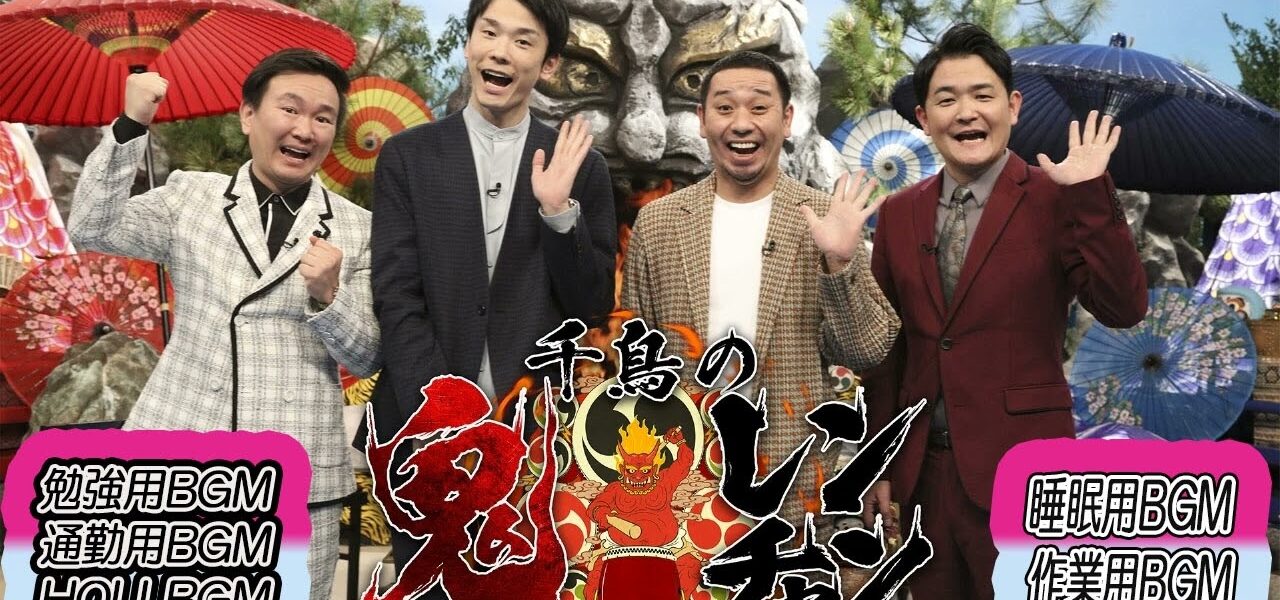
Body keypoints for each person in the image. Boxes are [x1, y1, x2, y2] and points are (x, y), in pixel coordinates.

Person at [69, 48, 380, 600]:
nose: (305, 129)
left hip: (297, 469)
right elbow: (93, 226)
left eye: (323, 117)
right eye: (290, 109)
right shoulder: (191, 196)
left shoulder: (357, 230)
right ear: (247, 116)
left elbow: (367, 354)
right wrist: (131, 125)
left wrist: (329, 295)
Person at [861, 23, 1147, 599]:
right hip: (924, 478)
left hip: (1028, 475)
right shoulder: (896, 213)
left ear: (1012, 107)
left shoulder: (1059, 193)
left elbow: (1124, 306)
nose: (967, 112)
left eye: (982, 95)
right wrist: (878, 464)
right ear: (924, 118)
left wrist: (1091, 190)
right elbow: (889, 350)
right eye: (947, 99)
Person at [621, 49, 900, 558]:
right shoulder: (658, 223)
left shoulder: (825, 217)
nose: (742, 123)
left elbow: (867, 351)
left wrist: (840, 262)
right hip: (683, 488)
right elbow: (633, 360)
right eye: (725, 107)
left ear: (787, 119)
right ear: (702, 120)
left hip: (796, 491)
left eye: (759, 107)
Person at [368, 0, 617, 573]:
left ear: (548, 65)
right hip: (425, 433)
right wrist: (441, 408)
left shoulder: (582, 166)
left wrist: (558, 212)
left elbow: (591, 304)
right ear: (469, 43)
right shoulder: (408, 156)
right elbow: (396, 294)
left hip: (538, 434)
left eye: (523, 41)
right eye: (489, 33)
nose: (501, 52)